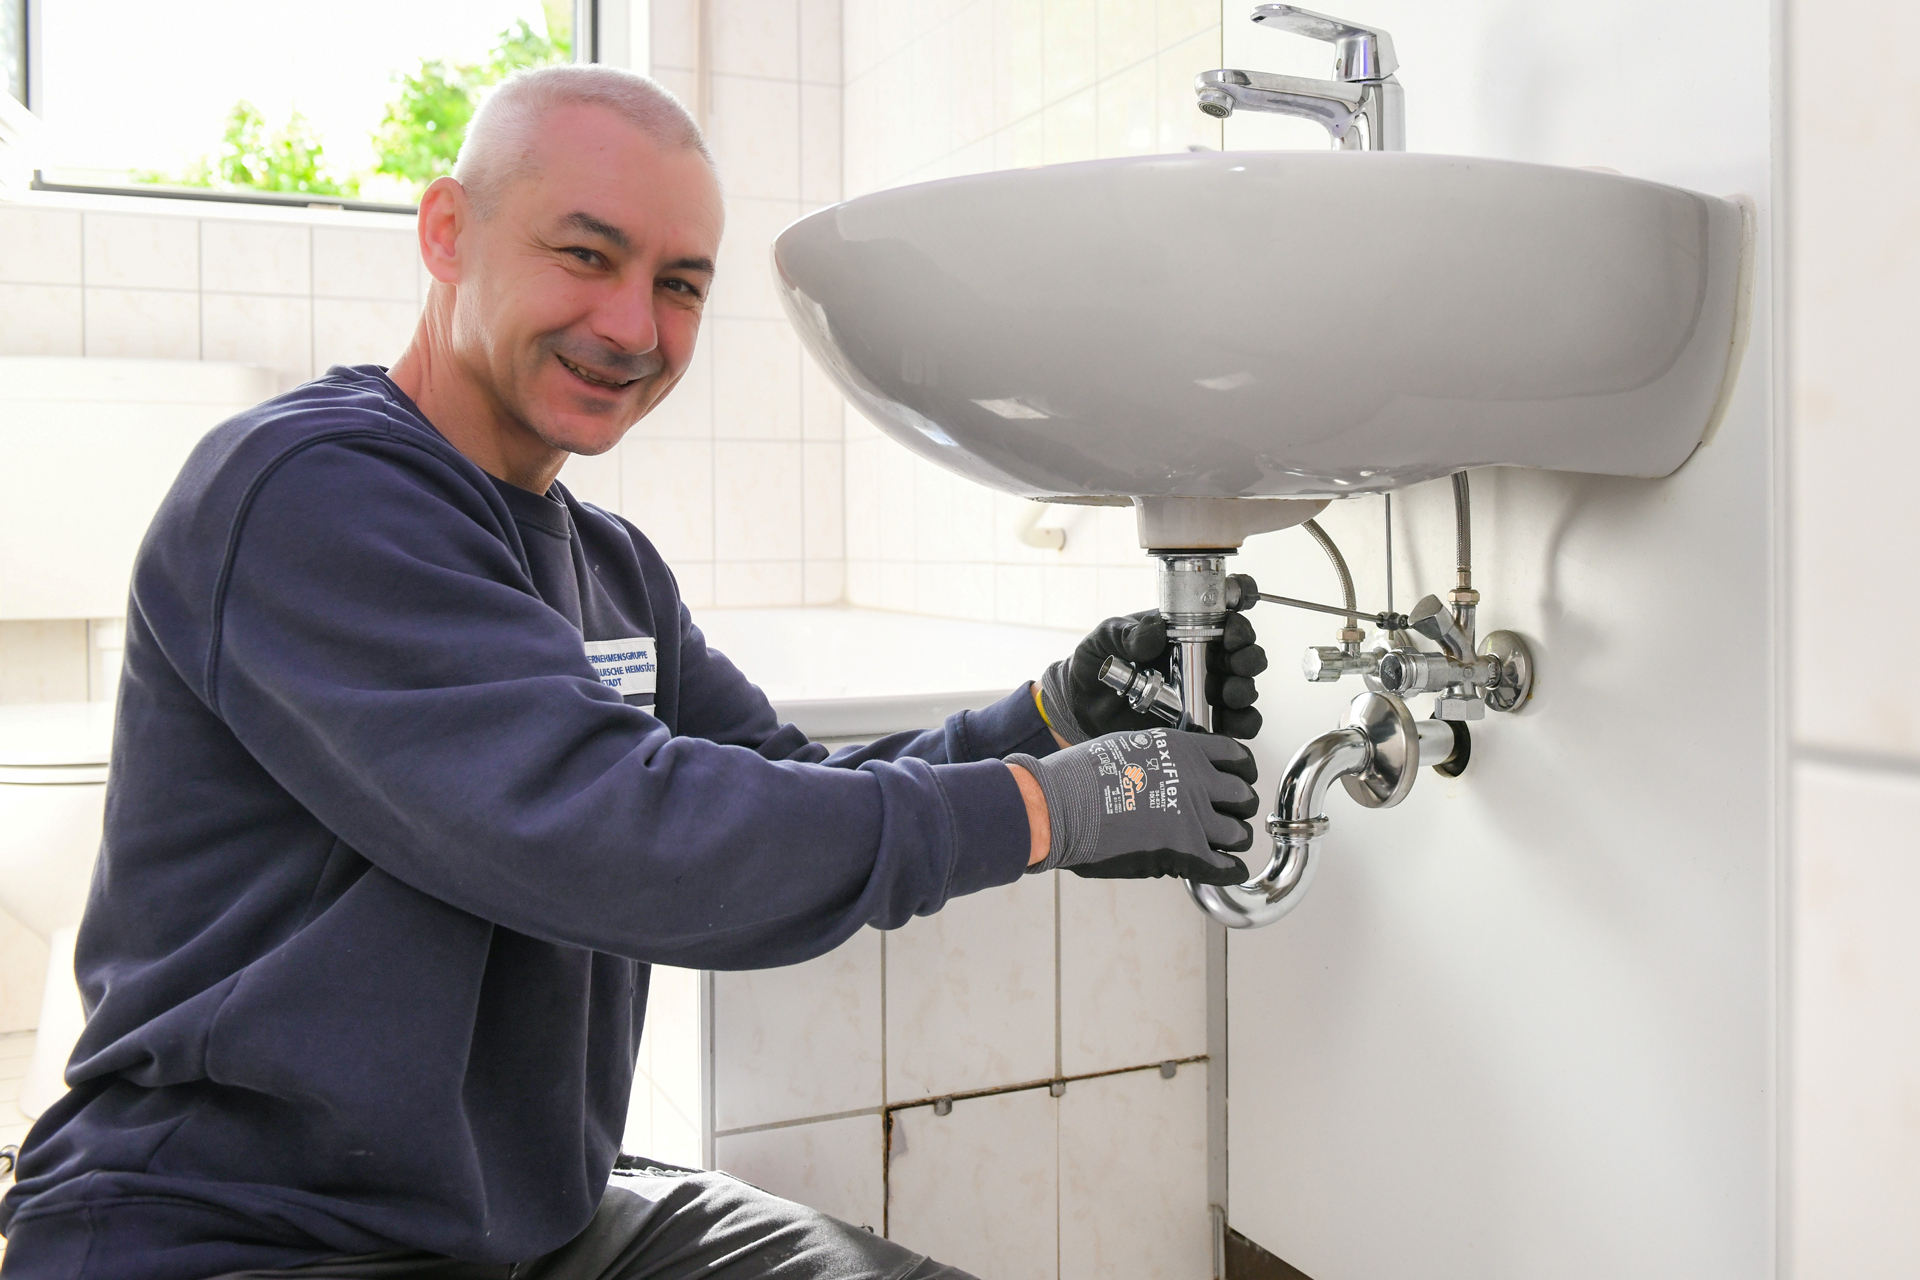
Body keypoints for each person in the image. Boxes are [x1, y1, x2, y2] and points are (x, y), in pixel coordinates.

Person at [0, 65, 1266, 1280]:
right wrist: (1055, 806)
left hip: (534, 1231)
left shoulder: (611, 566)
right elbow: (627, 835)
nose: (631, 326)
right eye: (585, 255)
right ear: (447, 231)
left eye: (680, 284)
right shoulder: (308, 493)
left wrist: (1048, 718)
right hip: (241, 1234)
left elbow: (776, 790)